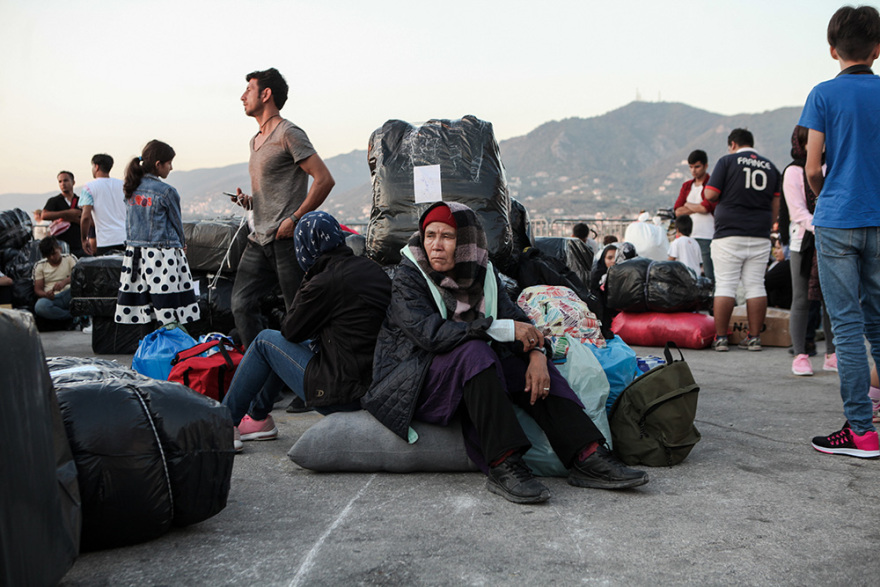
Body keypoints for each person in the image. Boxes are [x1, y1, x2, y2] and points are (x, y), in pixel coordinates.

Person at [362, 202, 648, 505]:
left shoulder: (482, 272)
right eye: (430, 235)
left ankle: (586, 454)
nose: (435, 245)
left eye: (447, 236)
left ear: (467, 242)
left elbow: (518, 320)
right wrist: (501, 330)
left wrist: (537, 354)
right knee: (475, 352)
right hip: (414, 375)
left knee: (519, 359)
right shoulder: (410, 276)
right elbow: (430, 334)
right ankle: (504, 463)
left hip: (468, 366)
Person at [222, 211, 392, 451]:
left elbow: (291, 331)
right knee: (280, 348)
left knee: (265, 342)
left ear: (303, 249)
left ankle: (224, 423)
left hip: (341, 395)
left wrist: (308, 277)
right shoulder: (369, 269)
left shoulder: (325, 281)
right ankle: (258, 419)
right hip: (373, 385)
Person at [798, 5, 880, 458]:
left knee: (846, 329)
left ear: (833, 50)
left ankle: (862, 433)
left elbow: (812, 168)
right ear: (878, 49)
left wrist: (828, 192)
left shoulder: (823, 94)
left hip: (837, 218)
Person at [230, 67, 336, 348]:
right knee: (241, 304)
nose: (242, 97)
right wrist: (250, 202)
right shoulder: (255, 141)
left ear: (266, 94)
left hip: (286, 241)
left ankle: (310, 379)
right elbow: (274, 191)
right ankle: (264, 371)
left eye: (248, 90)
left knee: (299, 315)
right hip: (258, 239)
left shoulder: (288, 132)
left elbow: (324, 179)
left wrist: (295, 219)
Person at [704, 129, 781, 352]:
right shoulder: (771, 167)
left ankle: (720, 339)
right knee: (756, 285)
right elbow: (775, 207)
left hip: (729, 232)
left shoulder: (727, 161)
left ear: (733, 144)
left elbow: (710, 194)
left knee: (726, 285)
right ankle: (755, 338)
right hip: (759, 233)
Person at [115, 140, 200, 326]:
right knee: (169, 309)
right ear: (158, 164)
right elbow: (177, 225)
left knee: (144, 310)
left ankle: (147, 349)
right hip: (163, 255)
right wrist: (182, 245)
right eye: (169, 163)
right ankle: (170, 350)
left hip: (135, 256)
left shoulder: (130, 188)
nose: (171, 167)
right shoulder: (167, 191)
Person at [782, 126, 836, 376]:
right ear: (801, 143)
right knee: (802, 299)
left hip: (832, 241)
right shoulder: (793, 171)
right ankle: (800, 354)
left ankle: (832, 354)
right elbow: (797, 212)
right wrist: (825, 225)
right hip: (804, 241)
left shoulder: (834, 165)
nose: (819, 145)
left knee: (832, 299)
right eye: (811, 141)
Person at [674, 149, 716, 282]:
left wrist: (687, 205)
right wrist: (697, 207)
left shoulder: (711, 184)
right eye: (691, 167)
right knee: (687, 273)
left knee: (709, 274)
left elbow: (706, 208)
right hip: (688, 236)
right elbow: (677, 210)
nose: (693, 171)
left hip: (707, 235)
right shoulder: (687, 186)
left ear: (705, 166)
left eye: (697, 166)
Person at [80, 153, 126, 255]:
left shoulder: (89, 187)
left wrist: (84, 239)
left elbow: (85, 217)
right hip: (125, 238)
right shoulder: (123, 185)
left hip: (106, 241)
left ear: (96, 167)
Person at [32, 236, 77, 322]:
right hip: (53, 298)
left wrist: (64, 282)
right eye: (49, 256)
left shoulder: (69, 258)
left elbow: (80, 277)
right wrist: (46, 294)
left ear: (60, 249)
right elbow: (38, 289)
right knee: (40, 307)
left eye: (54, 254)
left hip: (69, 294)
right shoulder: (40, 265)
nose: (52, 258)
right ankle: (71, 316)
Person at [41, 171, 85, 257]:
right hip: (60, 244)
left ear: (73, 182)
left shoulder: (81, 200)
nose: (63, 184)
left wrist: (73, 219)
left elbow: (90, 222)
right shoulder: (54, 201)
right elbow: (44, 215)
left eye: (66, 181)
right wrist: (67, 213)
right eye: (60, 181)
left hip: (78, 244)